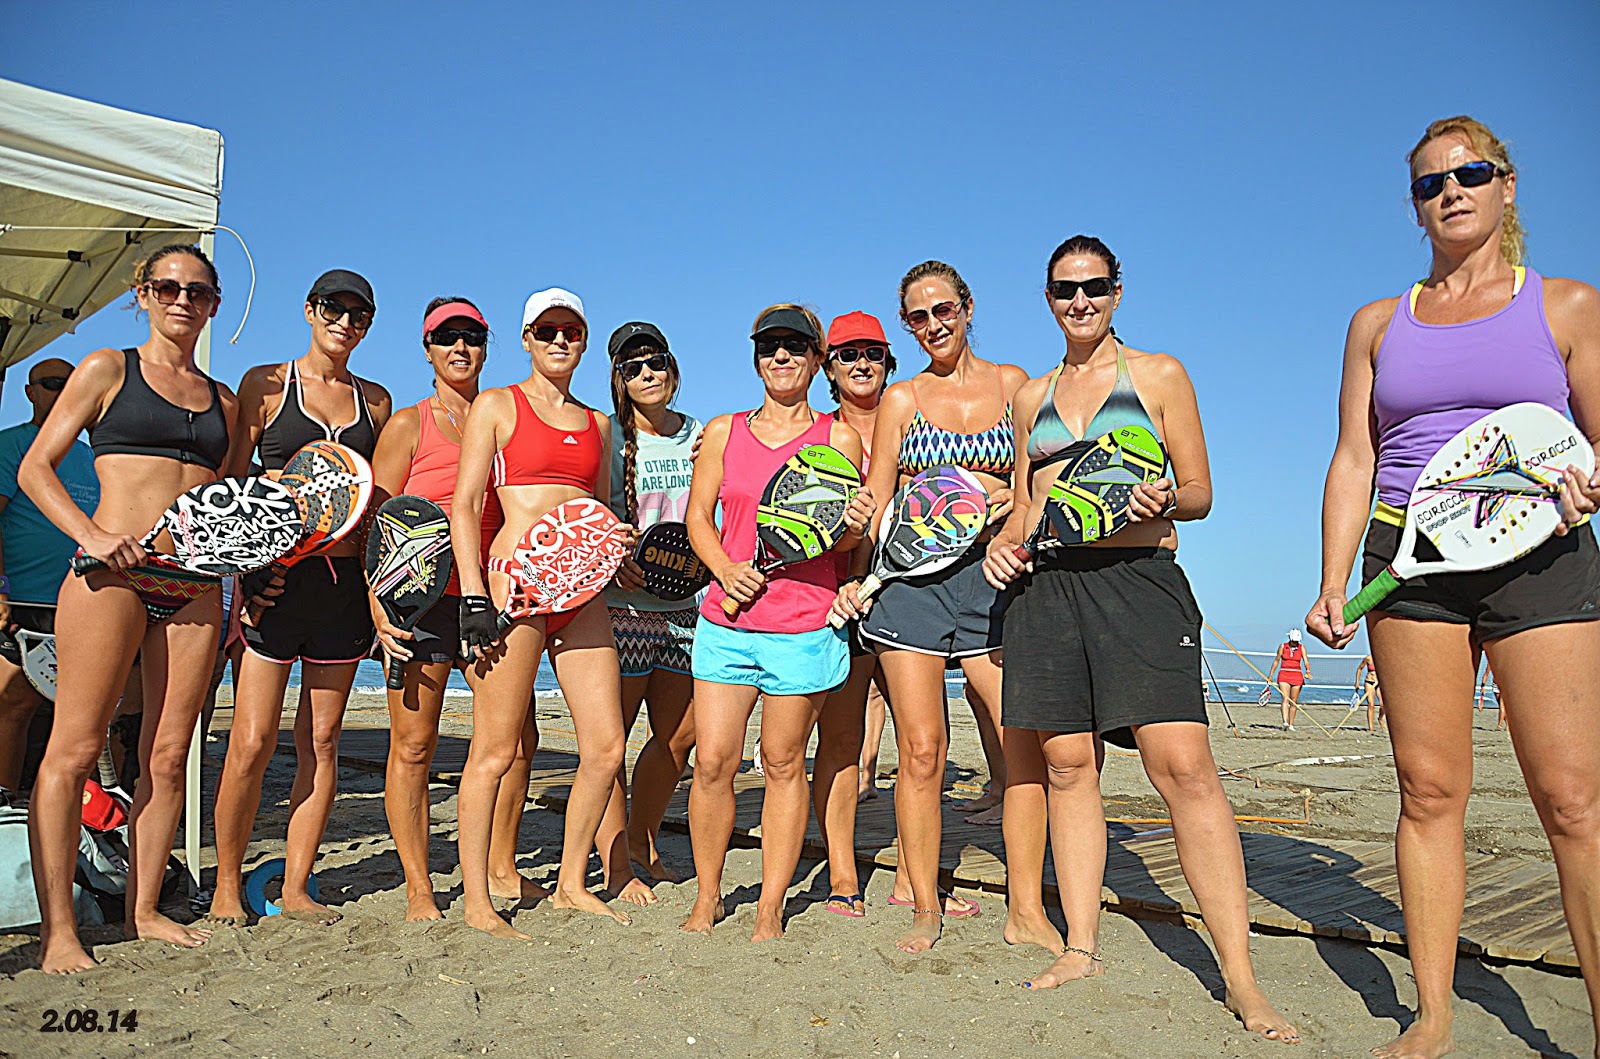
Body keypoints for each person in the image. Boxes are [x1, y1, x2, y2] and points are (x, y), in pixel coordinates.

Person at [1306, 116, 1600, 1059]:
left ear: (1506, 185)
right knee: (1428, 790)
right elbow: (1355, 458)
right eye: (1431, 183)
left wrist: (1589, 483)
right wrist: (1331, 578)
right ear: (1416, 207)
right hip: (1407, 559)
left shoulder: (1567, 305)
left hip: (1540, 555)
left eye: (1470, 173)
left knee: (1573, 800)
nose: (1452, 191)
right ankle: (1431, 1015)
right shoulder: (1376, 323)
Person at [984, 234, 1298, 1042]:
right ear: (1047, 298)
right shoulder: (1030, 396)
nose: (1080, 301)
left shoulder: (1158, 375)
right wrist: (1000, 546)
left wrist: (1165, 498)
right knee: (1067, 765)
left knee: (1183, 767)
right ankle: (1081, 945)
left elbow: (1200, 490)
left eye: (1094, 286)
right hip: (1048, 587)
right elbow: (1026, 504)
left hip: (1140, 580)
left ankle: (1242, 978)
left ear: (1117, 292)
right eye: (1064, 289)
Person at [20, 244, 238, 972]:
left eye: (197, 291)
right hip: (109, 575)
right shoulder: (108, 369)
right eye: (168, 287)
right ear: (143, 294)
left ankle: (144, 911)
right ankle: (58, 931)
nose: (183, 300)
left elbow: (230, 504)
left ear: (213, 305)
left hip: (195, 582)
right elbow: (37, 468)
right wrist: (91, 534)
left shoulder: (225, 401)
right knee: (75, 748)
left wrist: (240, 582)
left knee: (169, 754)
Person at [832, 262, 1026, 953]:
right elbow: (880, 498)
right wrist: (857, 572)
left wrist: (1010, 502)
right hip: (910, 585)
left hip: (991, 579)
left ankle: (1027, 906)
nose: (934, 324)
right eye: (918, 316)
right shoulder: (902, 398)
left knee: (1019, 738)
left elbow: (1037, 484)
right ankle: (922, 901)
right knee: (922, 751)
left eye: (944, 309)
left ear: (968, 307)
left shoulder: (1014, 385)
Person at [208, 269, 392, 926]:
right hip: (276, 584)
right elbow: (231, 487)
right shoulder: (266, 384)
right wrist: (249, 571)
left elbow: (378, 503)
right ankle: (225, 885)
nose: (345, 322)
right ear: (309, 311)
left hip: (342, 591)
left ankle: (295, 886)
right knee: (253, 739)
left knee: (322, 739)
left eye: (359, 314)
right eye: (333, 308)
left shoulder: (375, 402)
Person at [682, 304, 871, 941]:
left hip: (803, 627)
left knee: (783, 762)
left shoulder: (839, 439)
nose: (781, 356)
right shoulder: (723, 430)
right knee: (713, 763)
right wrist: (724, 569)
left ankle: (768, 907)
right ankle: (708, 897)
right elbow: (698, 518)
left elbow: (843, 541)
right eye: (769, 346)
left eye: (794, 346)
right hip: (726, 624)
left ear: (818, 360)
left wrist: (854, 529)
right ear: (756, 358)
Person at [452, 287, 633, 938]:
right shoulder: (497, 405)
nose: (560, 340)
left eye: (571, 331)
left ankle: (570, 884)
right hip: (516, 586)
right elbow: (465, 504)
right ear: (527, 339)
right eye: (547, 330)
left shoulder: (599, 424)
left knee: (607, 746)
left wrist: (620, 542)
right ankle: (478, 901)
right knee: (496, 749)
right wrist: (473, 595)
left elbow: (599, 512)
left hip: (581, 593)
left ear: (583, 342)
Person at [366, 296, 537, 921]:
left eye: (472, 337)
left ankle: (501, 867)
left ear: (487, 347)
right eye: (447, 337)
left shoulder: (504, 417)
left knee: (517, 741)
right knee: (414, 745)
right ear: (428, 349)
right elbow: (374, 523)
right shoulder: (409, 425)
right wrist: (379, 609)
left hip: (494, 596)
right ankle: (419, 887)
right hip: (420, 602)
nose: (460, 348)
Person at [593, 322, 702, 899]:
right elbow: (585, 512)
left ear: (672, 367)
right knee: (611, 742)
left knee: (680, 736)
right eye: (632, 368)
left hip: (684, 606)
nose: (646, 374)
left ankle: (640, 838)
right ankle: (618, 861)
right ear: (619, 379)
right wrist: (612, 557)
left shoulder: (699, 435)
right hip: (623, 608)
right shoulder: (606, 435)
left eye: (655, 361)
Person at [813, 310, 895, 917]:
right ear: (828, 367)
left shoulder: (915, 418)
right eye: (847, 353)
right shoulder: (815, 432)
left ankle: (914, 878)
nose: (861, 363)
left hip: (910, 593)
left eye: (873, 352)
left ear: (889, 363)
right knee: (842, 739)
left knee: (923, 744)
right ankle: (843, 872)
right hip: (838, 596)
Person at [0, 357, 99, 792]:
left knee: (76, 716)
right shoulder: (10, 445)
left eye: (70, 383)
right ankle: (5, 806)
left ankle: (69, 809)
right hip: (20, 602)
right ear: (30, 392)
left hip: (79, 605)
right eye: (52, 383)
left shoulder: (92, 457)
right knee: (13, 705)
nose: (62, 392)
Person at [1268, 630, 1311, 730]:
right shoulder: (1283, 646)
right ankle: (1285, 722)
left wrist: (1308, 671)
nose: (1295, 643)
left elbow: (1306, 661)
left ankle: (1291, 724)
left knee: (1293, 701)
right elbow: (1276, 660)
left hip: (1297, 675)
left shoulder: (1302, 648)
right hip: (1284, 674)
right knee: (1285, 698)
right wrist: (1270, 675)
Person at [1356, 653, 1385, 733]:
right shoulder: (1368, 658)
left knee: (1383, 704)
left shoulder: (1383, 657)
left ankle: (1380, 718)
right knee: (1371, 704)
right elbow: (1360, 669)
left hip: (1379, 683)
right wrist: (1357, 682)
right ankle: (1371, 728)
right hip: (1369, 682)